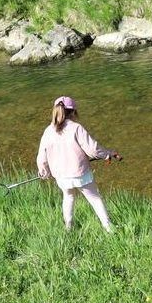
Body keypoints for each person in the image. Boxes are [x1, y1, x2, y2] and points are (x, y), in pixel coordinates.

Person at [37, 96, 120, 231]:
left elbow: (42, 155)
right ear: (73, 112)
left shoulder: (48, 130)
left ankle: (68, 228)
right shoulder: (76, 128)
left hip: (61, 176)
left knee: (68, 197)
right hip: (80, 174)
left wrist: (43, 170)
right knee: (94, 198)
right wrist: (107, 154)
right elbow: (93, 149)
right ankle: (109, 228)